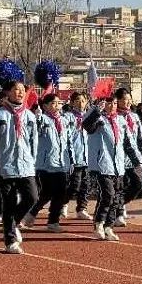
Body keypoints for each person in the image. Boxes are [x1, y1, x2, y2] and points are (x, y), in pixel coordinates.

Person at [0, 78, 38, 255]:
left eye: (22, 90)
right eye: (16, 89)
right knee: (9, 204)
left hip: (26, 166)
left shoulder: (29, 116)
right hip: (5, 167)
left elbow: (33, 141)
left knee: (32, 197)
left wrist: (33, 161)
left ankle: (12, 224)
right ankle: (10, 240)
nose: (20, 92)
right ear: (8, 92)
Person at [81, 92, 135, 242]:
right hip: (101, 165)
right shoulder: (98, 119)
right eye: (109, 103)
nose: (112, 106)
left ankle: (109, 227)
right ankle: (99, 223)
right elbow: (86, 126)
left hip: (118, 166)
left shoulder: (120, 121)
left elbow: (127, 142)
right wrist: (97, 109)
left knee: (116, 197)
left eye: (115, 103)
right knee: (108, 194)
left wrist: (137, 161)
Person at [24, 93, 71, 232]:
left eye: (58, 103)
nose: (56, 106)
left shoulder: (63, 120)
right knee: (47, 193)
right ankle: (32, 212)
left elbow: (68, 141)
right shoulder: (43, 119)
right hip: (45, 164)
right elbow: (34, 130)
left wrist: (71, 160)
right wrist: (37, 117)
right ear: (45, 106)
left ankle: (53, 221)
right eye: (53, 103)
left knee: (61, 193)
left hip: (61, 163)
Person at [114, 87, 142, 227]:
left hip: (134, 158)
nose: (127, 102)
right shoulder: (114, 116)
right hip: (119, 157)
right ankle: (119, 213)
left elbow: (140, 136)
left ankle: (119, 203)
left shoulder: (134, 116)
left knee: (137, 184)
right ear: (118, 101)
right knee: (119, 186)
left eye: (129, 99)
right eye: (124, 99)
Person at [64, 91, 91, 219]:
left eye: (83, 100)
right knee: (74, 185)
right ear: (72, 103)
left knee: (86, 185)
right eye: (77, 100)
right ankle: (63, 203)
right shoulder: (68, 117)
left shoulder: (89, 117)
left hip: (88, 157)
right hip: (75, 156)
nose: (80, 103)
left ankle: (82, 209)